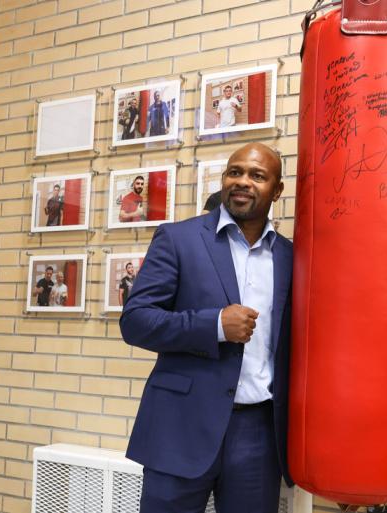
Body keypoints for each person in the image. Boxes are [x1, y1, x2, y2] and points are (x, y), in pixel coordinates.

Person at [120, 142, 290, 513]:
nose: (242, 181)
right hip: (180, 425)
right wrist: (213, 325)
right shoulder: (178, 239)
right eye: (235, 172)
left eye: (257, 176)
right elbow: (135, 321)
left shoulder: (290, 257)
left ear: (277, 190)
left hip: (258, 434)